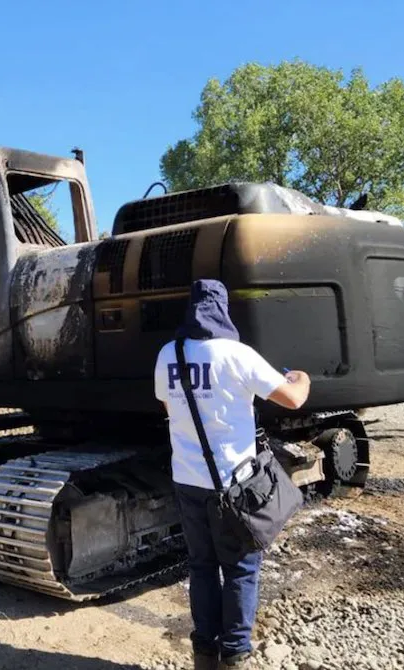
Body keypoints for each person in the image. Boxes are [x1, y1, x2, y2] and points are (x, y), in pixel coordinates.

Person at [153, 279, 311, 670]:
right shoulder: (237, 354)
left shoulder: (167, 355)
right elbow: (292, 400)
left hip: (187, 480)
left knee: (201, 566)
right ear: (223, 311)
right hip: (233, 484)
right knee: (240, 569)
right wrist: (301, 378)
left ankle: (204, 654)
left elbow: (168, 409)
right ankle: (236, 655)